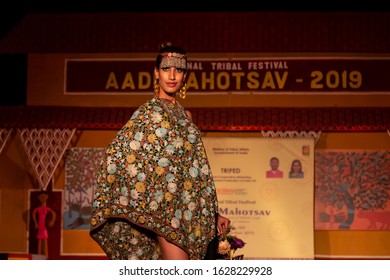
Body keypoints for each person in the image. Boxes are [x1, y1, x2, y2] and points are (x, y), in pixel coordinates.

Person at [90, 42, 230, 260]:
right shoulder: (147, 113)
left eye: (179, 69)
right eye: (166, 69)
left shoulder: (187, 116)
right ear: (156, 73)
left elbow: (194, 170)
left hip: (190, 213)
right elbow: (118, 155)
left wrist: (212, 215)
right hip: (166, 213)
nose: (172, 75)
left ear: (185, 75)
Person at [32, 191, 56, 257]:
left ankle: (45, 256)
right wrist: (36, 223)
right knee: (39, 241)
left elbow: (53, 213)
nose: (43, 199)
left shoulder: (46, 208)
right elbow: (33, 213)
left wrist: (52, 221)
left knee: (44, 240)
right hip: (40, 225)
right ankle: (39, 256)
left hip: (44, 226)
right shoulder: (39, 208)